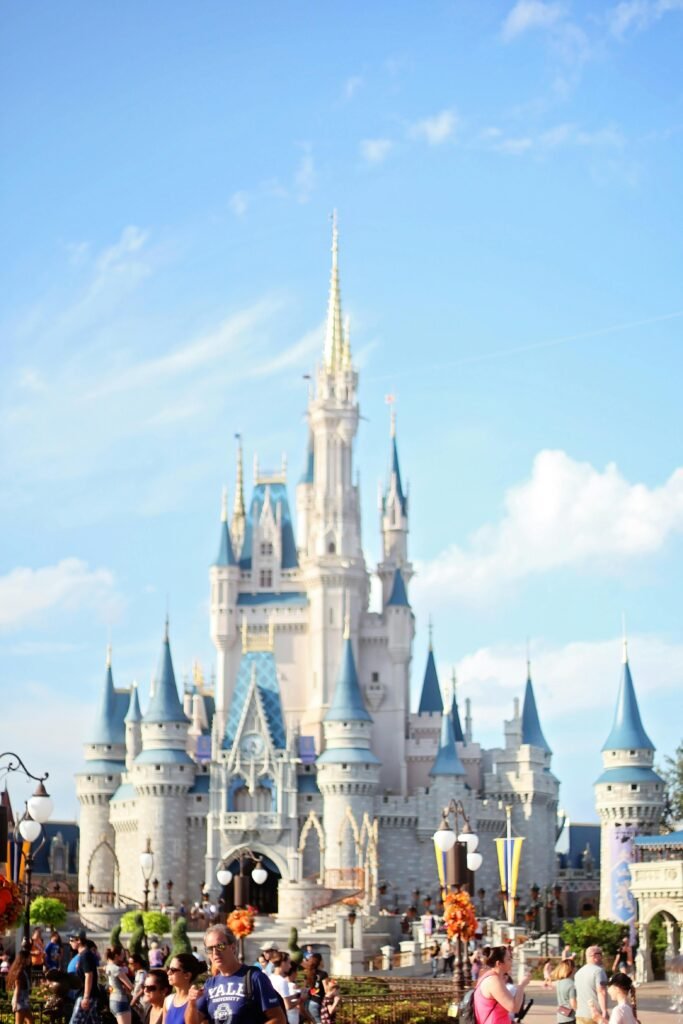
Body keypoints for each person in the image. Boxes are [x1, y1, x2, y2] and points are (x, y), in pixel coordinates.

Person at [185, 924, 285, 1024]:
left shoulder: (255, 978)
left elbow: (279, 1019)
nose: (215, 953)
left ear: (233, 947)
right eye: (210, 949)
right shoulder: (210, 984)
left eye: (220, 946)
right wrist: (191, 1003)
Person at [473, 946, 531, 1024]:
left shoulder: (490, 977)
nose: (512, 962)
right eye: (509, 959)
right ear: (499, 963)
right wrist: (521, 985)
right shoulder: (493, 980)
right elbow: (514, 1007)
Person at [70, 931, 102, 1024]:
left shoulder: (85, 955)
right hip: (88, 994)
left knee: (75, 1022)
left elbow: (89, 975)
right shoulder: (84, 954)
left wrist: (86, 997)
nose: (70, 942)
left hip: (86, 995)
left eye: (72, 940)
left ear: (78, 940)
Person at [164, 953, 205, 1024]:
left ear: (187, 975)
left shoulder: (199, 1001)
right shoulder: (168, 1000)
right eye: (168, 969)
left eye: (173, 970)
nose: (168, 973)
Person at [575, 946, 608, 1024]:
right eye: (601, 954)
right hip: (594, 1015)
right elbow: (601, 991)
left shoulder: (578, 973)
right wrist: (604, 1010)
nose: (602, 957)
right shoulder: (598, 971)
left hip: (580, 1014)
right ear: (595, 956)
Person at [105, 946, 133, 1024]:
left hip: (112, 999)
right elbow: (130, 986)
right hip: (121, 999)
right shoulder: (117, 969)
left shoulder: (107, 967)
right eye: (122, 954)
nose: (123, 956)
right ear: (116, 956)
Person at [269, 954, 299, 1024]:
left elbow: (281, 998)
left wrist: (295, 996)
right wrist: (301, 1000)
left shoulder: (270, 977)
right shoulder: (282, 981)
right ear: (282, 963)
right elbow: (287, 1006)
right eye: (288, 963)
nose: (290, 966)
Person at [7, 950, 33, 1024]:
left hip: (24, 1001)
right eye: (29, 958)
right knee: (19, 1022)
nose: (30, 960)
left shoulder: (23, 970)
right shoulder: (20, 972)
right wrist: (15, 1002)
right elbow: (17, 988)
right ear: (24, 959)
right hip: (20, 1001)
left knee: (30, 1021)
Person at [302, 954, 327, 1024]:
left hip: (308, 1002)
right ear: (320, 962)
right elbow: (326, 989)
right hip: (317, 1002)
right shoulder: (323, 974)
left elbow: (305, 988)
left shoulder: (307, 973)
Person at [554, 957, 577, 1024]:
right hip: (570, 1017)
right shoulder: (571, 984)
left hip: (560, 1016)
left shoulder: (558, 982)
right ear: (572, 969)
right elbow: (573, 1003)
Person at [128, 953, 148, 1018]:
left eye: (131, 963)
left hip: (141, 1002)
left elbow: (142, 988)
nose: (129, 965)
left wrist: (134, 1000)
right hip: (138, 1001)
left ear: (137, 963)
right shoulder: (138, 972)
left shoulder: (142, 973)